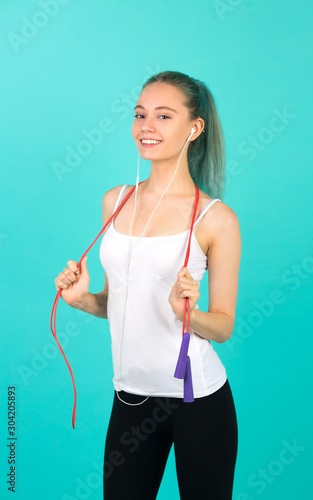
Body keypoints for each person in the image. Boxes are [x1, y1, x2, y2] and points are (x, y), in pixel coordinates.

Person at [54, 71, 241, 500]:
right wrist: (83, 299)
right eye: (140, 114)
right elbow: (116, 302)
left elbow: (224, 327)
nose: (146, 127)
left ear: (194, 128)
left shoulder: (215, 219)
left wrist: (185, 313)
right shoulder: (115, 201)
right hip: (132, 399)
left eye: (163, 116)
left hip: (199, 402)